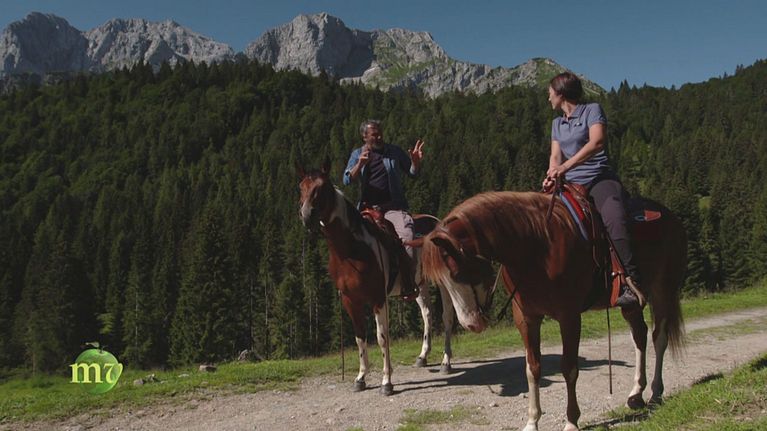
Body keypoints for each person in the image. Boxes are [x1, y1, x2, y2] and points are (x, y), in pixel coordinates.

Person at [543, 72, 640, 308]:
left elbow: (596, 142)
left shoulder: (592, 110)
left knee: (614, 218)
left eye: (550, 93)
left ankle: (630, 280)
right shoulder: (557, 124)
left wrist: (564, 167)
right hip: (569, 185)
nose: (548, 98)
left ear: (561, 93)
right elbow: (555, 156)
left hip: (598, 179)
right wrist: (551, 174)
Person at [343, 119, 425, 298]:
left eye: (380, 133)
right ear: (365, 137)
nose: (379, 137)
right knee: (346, 241)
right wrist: (360, 164)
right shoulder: (357, 154)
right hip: (366, 209)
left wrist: (415, 163)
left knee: (407, 238)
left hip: (393, 207)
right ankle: (349, 283)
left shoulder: (394, 151)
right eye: (374, 135)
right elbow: (347, 179)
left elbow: (412, 173)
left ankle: (408, 283)